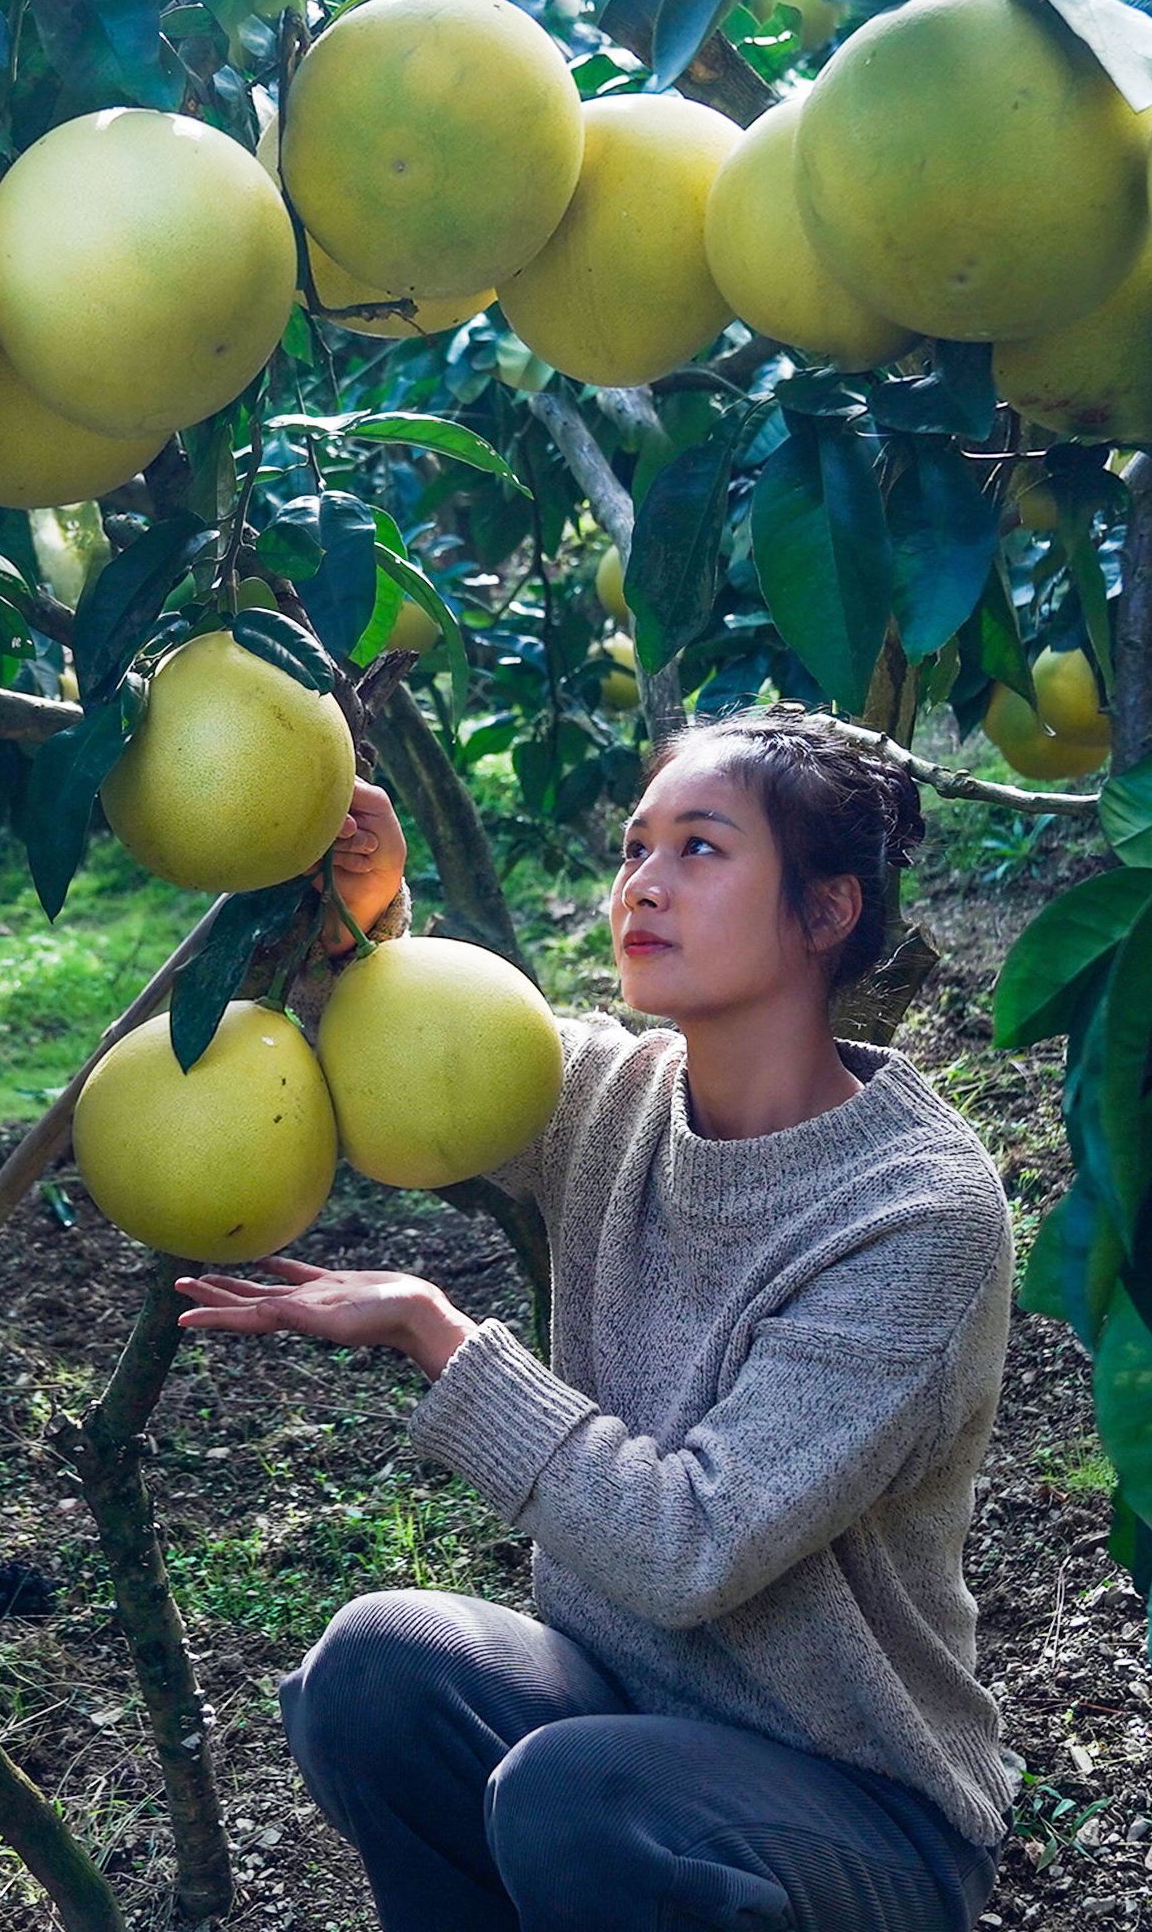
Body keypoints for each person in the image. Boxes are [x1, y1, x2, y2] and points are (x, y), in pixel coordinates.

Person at [176, 705, 1019, 1932]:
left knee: (579, 1799)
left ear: (828, 911)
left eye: (700, 849)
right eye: (635, 848)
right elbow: (431, 1069)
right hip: (624, 1717)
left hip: (860, 1814)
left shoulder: (915, 1218)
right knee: (375, 1669)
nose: (644, 886)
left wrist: (438, 1336)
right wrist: (363, 915)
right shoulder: (617, 1101)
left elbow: (694, 1544)